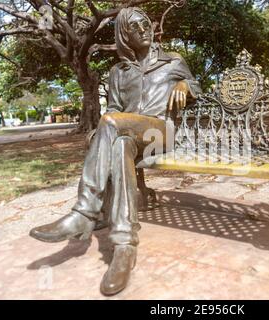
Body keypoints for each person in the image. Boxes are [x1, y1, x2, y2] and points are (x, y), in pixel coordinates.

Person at [29, 7, 201, 296]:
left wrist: (186, 84)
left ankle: (84, 211)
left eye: (146, 24)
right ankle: (124, 246)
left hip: (161, 132)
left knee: (110, 125)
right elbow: (114, 110)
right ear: (124, 35)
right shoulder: (118, 73)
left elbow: (198, 85)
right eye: (135, 27)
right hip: (128, 135)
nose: (144, 29)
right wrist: (103, 132)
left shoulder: (172, 61)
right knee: (119, 143)